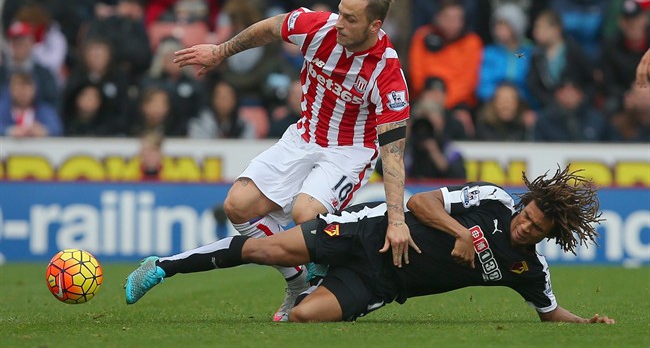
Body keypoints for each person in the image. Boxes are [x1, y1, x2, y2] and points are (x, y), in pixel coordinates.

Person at [173, 0, 416, 321]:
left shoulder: (387, 74)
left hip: (349, 151)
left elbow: (392, 155)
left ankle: (327, 283)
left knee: (306, 213)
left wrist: (397, 221)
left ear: (375, 26)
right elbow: (271, 27)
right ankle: (297, 277)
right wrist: (221, 51)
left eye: (350, 18)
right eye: (340, 11)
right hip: (303, 137)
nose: (339, 23)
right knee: (236, 206)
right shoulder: (319, 28)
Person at [125, 166, 615, 325]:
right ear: (526, 204)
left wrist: (585, 323)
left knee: (302, 318)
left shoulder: (528, 270)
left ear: (548, 235)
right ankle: (164, 266)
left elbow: (549, 313)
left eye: (536, 228)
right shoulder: (491, 200)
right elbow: (422, 203)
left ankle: (305, 286)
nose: (526, 227)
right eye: (528, 215)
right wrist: (462, 233)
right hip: (371, 231)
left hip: (383, 280)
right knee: (263, 250)